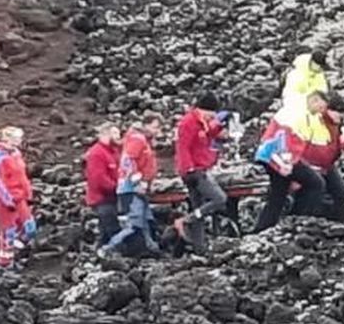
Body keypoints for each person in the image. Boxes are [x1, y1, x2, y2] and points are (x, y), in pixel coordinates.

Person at [253, 92, 328, 232]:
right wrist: (284, 163)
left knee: (278, 195)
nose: (321, 112)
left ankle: (262, 229)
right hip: (279, 157)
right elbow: (283, 137)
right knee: (316, 183)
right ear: (314, 101)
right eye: (321, 107)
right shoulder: (296, 113)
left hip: (270, 156)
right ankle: (297, 220)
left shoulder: (302, 113)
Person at [174, 92, 234, 251]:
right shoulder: (188, 122)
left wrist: (219, 127)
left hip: (198, 168)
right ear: (205, 109)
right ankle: (186, 221)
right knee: (220, 199)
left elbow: (206, 136)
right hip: (195, 171)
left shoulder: (202, 121)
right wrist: (189, 169)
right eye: (212, 113)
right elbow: (183, 147)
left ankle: (199, 249)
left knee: (198, 207)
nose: (213, 116)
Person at [295, 92, 344, 220]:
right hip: (307, 164)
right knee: (314, 191)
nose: (340, 118)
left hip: (327, 165)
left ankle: (335, 220)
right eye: (339, 115)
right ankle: (302, 218)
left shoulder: (336, 124)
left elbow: (342, 139)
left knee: (341, 193)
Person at [105, 114, 162, 256]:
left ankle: (153, 249)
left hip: (138, 188)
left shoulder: (143, 140)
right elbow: (127, 161)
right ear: (146, 125)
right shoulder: (138, 139)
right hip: (130, 189)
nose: (157, 131)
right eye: (155, 127)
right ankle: (108, 248)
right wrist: (138, 182)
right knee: (134, 224)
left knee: (146, 222)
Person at [0, 126, 35, 268]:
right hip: (4, 199)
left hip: (20, 197)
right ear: (7, 139)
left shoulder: (16, 153)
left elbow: (22, 176)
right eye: (17, 138)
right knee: (9, 230)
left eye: (20, 138)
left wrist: (28, 194)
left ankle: (16, 250)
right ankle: (5, 263)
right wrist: (7, 199)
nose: (19, 141)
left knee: (29, 228)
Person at [83, 122, 122, 246]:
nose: (118, 136)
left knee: (105, 232)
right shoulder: (97, 153)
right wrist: (117, 188)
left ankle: (100, 254)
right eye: (115, 133)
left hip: (111, 197)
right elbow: (98, 179)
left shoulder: (113, 152)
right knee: (112, 228)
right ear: (105, 134)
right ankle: (119, 253)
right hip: (102, 199)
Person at [281, 48, 328, 115]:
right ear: (311, 61)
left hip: (314, 105)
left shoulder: (319, 74)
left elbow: (323, 89)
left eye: (320, 65)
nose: (318, 67)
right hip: (295, 105)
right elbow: (290, 95)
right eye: (316, 64)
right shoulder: (296, 74)